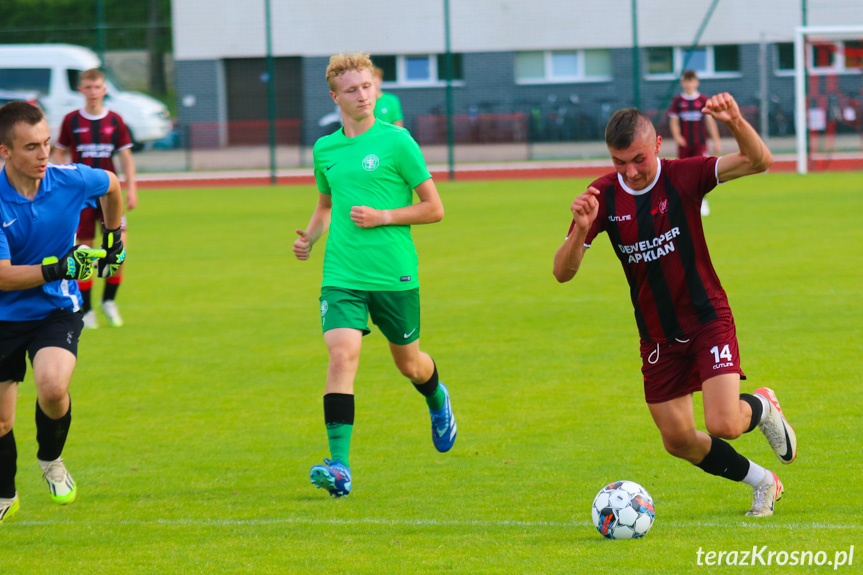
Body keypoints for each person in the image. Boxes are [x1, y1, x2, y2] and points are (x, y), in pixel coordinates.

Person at [553, 94, 797, 517]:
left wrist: (735, 120)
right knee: (679, 440)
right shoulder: (602, 197)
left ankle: (760, 405)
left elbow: (759, 161)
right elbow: (562, 272)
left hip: (706, 318)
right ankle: (763, 481)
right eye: (619, 162)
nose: (630, 171)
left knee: (723, 424)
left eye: (638, 159)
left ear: (659, 146)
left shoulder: (686, 175)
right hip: (657, 335)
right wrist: (579, 230)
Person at [293, 52, 455, 498]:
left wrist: (384, 215)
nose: (363, 95)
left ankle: (437, 400)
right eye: (352, 90)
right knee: (342, 355)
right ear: (335, 97)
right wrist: (309, 238)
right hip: (342, 273)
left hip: (393, 274)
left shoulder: (398, 142)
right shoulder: (324, 149)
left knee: (410, 364)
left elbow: (435, 209)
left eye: (367, 86)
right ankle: (339, 466)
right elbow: (326, 205)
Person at [0, 101, 125, 523]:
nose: (43, 155)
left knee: (52, 387)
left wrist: (113, 237)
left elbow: (110, 183)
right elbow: (2, 277)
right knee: (0, 421)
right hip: (3, 316)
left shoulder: (68, 180)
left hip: (56, 308)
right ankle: (5, 496)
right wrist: (59, 266)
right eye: (31, 147)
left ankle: (51, 461)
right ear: (5, 152)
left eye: (47, 144)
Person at [53, 68, 137, 328]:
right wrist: (64, 183)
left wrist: (131, 187)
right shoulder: (71, 121)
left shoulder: (115, 120)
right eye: (87, 87)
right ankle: (86, 308)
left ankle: (109, 301)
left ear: (104, 90)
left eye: (97, 87)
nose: (92, 92)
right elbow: (59, 153)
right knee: (84, 249)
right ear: (81, 90)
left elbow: (125, 156)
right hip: (81, 196)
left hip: (109, 195)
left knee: (119, 246)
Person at [668, 70, 721, 216]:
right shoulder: (678, 101)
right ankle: (685, 203)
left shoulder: (703, 100)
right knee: (683, 173)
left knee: (700, 172)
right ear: (682, 83)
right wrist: (677, 136)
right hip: (684, 145)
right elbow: (674, 121)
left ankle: (702, 200)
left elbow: (710, 122)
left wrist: (716, 141)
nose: (689, 84)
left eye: (692, 80)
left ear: (697, 82)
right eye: (686, 80)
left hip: (700, 143)